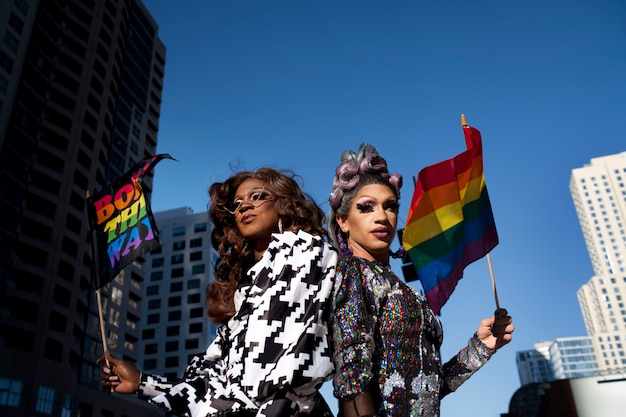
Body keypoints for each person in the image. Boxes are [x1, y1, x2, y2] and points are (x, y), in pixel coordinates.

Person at [98, 168, 338, 417]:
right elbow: (217, 382)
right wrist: (141, 382)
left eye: (257, 196)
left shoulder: (307, 252)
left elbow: (278, 373)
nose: (245, 206)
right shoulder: (246, 289)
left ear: (283, 203)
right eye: (237, 204)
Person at [327, 143, 514, 417]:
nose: (382, 217)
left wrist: (481, 347)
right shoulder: (352, 275)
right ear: (343, 221)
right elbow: (352, 379)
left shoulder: (404, 290)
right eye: (367, 208)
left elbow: (427, 388)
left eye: (390, 207)